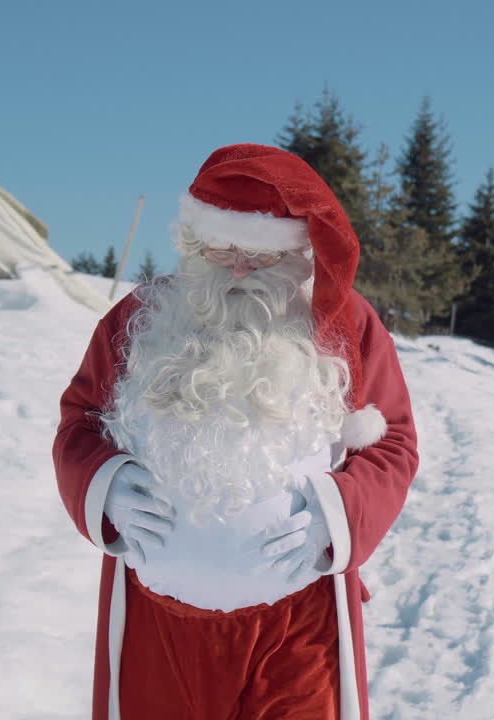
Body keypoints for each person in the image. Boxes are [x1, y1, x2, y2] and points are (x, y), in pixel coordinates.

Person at [53, 143, 418, 720]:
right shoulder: (137, 318)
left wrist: (341, 511)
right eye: (221, 250)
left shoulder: (346, 320)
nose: (241, 267)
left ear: (297, 252)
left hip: (298, 630)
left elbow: (394, 440)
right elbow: (79, 421)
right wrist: (106, 486)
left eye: (262, 255)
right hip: (158, 626)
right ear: (193, 243)